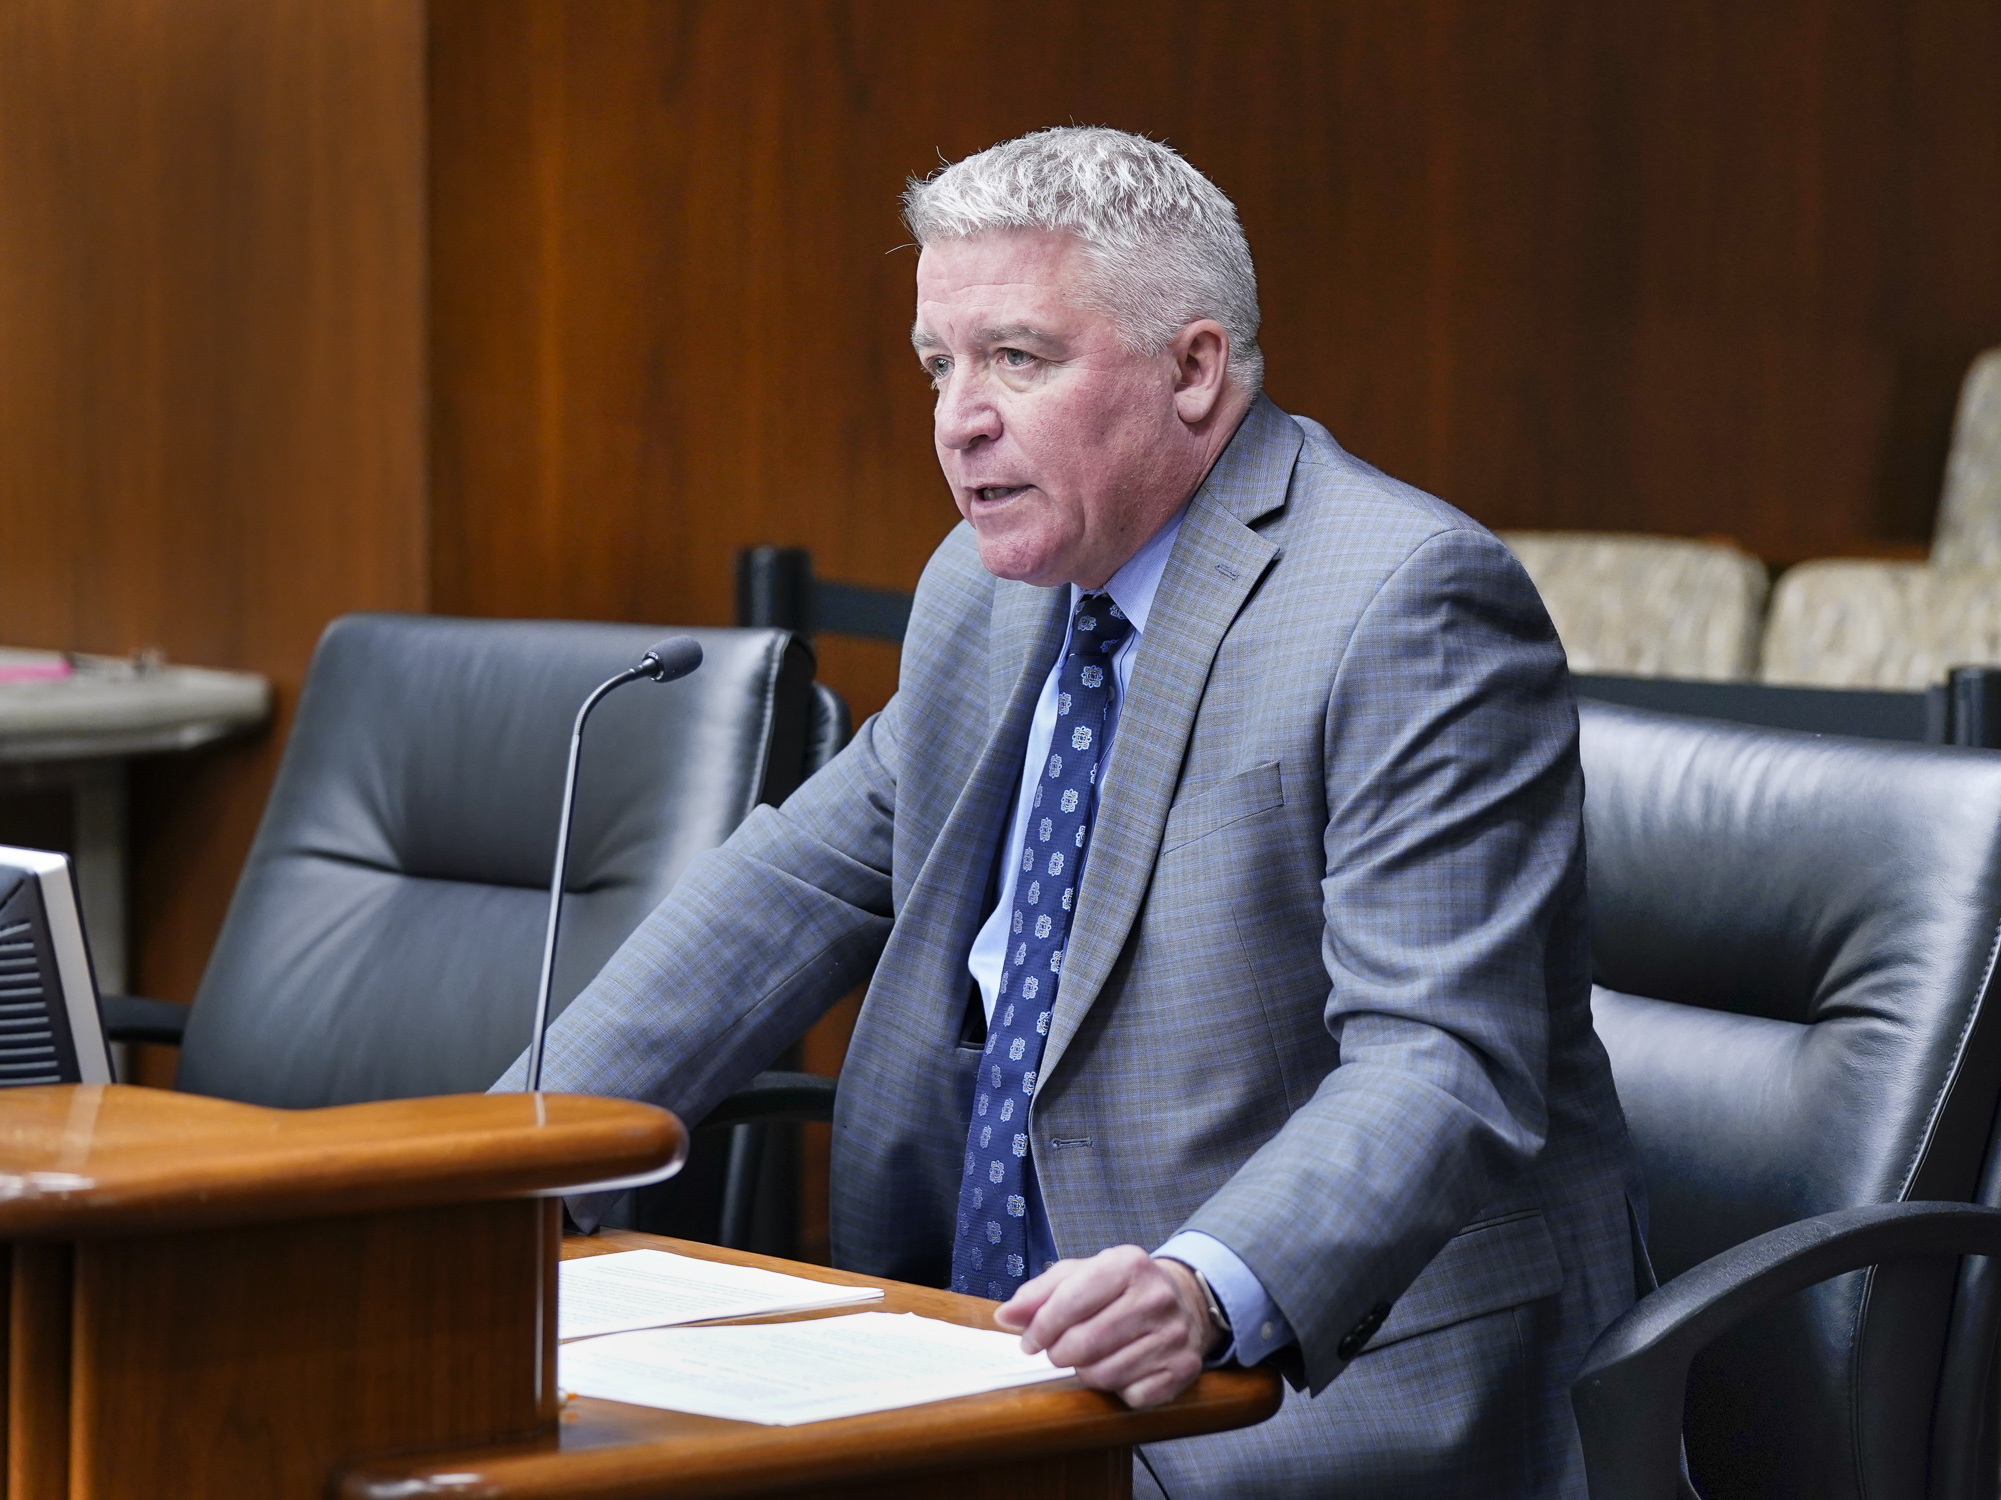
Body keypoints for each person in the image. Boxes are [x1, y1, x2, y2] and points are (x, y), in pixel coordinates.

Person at [500, 125, 1642, 1497]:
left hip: (1302, 1384)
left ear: (1196, 371)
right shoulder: (983, 592)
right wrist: (490, 1175)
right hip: (975, 1353)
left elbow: (1444, 1060)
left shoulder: (1404, 604)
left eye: (1018, 360)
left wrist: (1209, 1288)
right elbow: (793, 889)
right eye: (940, 363)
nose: (957, 418)